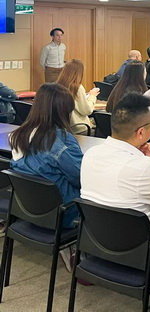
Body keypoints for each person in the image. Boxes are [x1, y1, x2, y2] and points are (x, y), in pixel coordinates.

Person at [81, 93, 150, 236]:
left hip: (97, 236)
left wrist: (143, 159)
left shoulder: (90, 154)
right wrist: (147, 161)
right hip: (141, 241)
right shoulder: (143, 167)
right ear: (141, 132)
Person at [10, 83, 83, 230]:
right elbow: (81, 178)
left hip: (30, 210)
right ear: (63, 112)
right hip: (66, 214)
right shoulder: (62, 141)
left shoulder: (17, 136)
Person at [55, 58, 100, 134]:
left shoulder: (58, 86)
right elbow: (87, 110)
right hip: (79, 129)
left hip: (64, 128)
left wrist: (86, 95)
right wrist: (92, 96)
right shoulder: (77, 88)